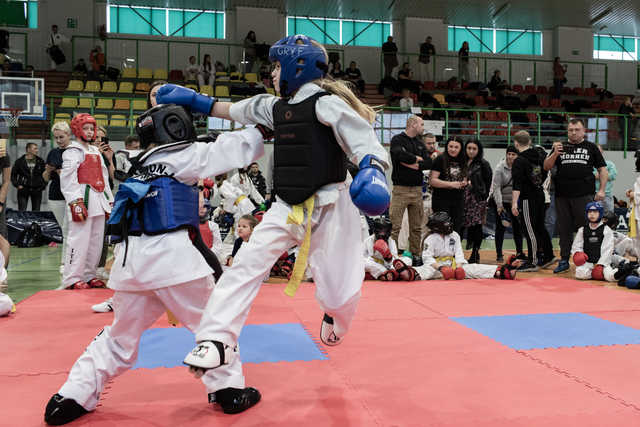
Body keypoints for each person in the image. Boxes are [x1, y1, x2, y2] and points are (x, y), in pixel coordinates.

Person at [157, 34, 390, 398]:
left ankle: (336, 316)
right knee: (244, 266)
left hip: (332, 205)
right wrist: (191, 99)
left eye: (278, 66)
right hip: (287, 207)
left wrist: (372, 170)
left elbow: (365, 143)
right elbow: (230, 110)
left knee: (340, 291)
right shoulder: (273, 107)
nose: (273, 73)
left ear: (299, 67)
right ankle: (215, 339)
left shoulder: (328, 105)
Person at [43, 104, 268, 425]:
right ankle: (229, 390)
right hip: (177, 262)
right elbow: (240, 147)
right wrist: (267, 125)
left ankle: (73, 394)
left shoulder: (137, 162)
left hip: (131, 264)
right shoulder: (188, 154)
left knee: (119, 337)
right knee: (215, 325)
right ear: (177, 127)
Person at [544, 118, 608, 273]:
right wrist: (554, 154)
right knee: (564, 229)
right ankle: (564, 259)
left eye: (577, 129)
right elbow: (546, 166)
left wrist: (601, 190)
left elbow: (602, 170)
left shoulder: (591, 147)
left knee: (586, 228)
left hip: (584, 195)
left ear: (583, 131)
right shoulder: (559, 147)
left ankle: (589, 259)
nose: (573, 132)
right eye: (570, 130)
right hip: (562, 195)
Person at [59, 114, 113, 290]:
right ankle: (72, 278)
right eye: (86, 128)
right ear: (77, 130)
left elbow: (103, 177)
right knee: (78, 239)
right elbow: (68, 178)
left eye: (92, 129)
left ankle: (90, 274)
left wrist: (109, 201)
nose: (90, 132)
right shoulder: (72, 151)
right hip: (82, 198)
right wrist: (75, 201)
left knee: (96, 240)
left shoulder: (95, 151)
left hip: (98, 199)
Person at [399, 211, 518, 281]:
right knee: (426, 272)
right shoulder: (430, 239)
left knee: (473, 268)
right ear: (438, 227)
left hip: (453, 265)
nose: (450, 225)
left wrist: (459, 267)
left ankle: (501, 272)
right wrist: (441, 268)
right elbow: (427, 258)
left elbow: (459, 254)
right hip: (436, 267)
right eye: (447, 223)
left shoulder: (454, 235)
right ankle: (407, 273)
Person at [389, 115, 431, 265]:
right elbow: (399, 155)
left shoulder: (420, 143)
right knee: (395, 225)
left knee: (416, 227)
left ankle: (416, 254)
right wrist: (417, 159)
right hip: (400, 189)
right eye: (421, 124)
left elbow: (428, 162)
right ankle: (391, 255)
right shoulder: (397, 140)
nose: (423, 127)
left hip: (417, 190)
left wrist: (413, 162)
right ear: (413, 124)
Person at [512, 130, 555, 272]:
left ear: (516, 143)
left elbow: (517, 185)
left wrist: (514, 203)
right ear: (529, 142)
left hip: (527, 198)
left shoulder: (519, 161)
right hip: (540, 195)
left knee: (529, 229)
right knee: (539, 227)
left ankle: (533, 260)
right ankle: (548, 255)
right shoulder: (539, 154)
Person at [44, 122, 72, 273]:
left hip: (72, 194)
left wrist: (63, 174)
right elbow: (45, 178)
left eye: (62, 137)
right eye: (56, 138)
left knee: (70, 229)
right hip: (56, 195)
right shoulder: (53, 153)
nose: (59, 140)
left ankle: (67, 262)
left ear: (69, 135)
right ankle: (64, 262)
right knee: (65, 229)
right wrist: (48, 171)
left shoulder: (75, 151)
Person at [491, 145, 523, 263]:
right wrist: (499, 206)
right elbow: (496, 187)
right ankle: (499, 254)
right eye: (508, 154)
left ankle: (519, 252)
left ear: (517, 156)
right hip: (502, 201)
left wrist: (517, 202)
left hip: (515, 202)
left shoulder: (520, 167)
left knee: (517, 228)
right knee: (500, 228)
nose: (510, 156)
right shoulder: (499, 168)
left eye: (513, 154)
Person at [430, 136, 468, 234]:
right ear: (447, 146)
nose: (453, 149)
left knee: (456, 230)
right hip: (441, 200)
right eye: (451, 146)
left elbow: (465, 177)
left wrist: (465, 182)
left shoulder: (463, 160)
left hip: (458, 200)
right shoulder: (440, 159)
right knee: (442, 230)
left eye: (456, 147)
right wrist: (451, 184)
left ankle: (454, 249)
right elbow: (433, 181)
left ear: (461, 148)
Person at [571, 202, 617, 282]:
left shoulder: (606, 230)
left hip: (603, 263)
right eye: (589, 212)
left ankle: (622, 271)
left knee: (609, 276)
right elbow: (576, 246)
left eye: (595, 212)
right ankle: (594, 273)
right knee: (580, 273)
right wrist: (577, 253)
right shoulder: (582, 230)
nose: (592, 214)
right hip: (588, 263)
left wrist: (600, 265)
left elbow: (608, 250)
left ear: (601, 213)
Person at [463, 139, 492, 264]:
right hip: (462, 199)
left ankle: (475, 253)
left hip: (477, 200)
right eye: (469, 148)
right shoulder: (461, 162)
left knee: (476, 227)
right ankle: (456, 253)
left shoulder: (483, 164)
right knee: (459, 226)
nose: (471, 151)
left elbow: (488, 182)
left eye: (474, 149)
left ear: (478, 150)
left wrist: (483, 198)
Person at [11, 143, 46, 211]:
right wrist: (17, 185)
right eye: (35, 148)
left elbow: (45, 174)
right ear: (28, 149)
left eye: (37, 148)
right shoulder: (19, 161)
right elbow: (13, 175)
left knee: (36, 212)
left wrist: (43, 185)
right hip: (23, 189)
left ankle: (34, 222)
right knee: (22, 211)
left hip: (37, 190)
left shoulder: (40, 161)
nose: (37, 150)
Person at [594, 144, 616, 213]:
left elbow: (612, 176)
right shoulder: (589, 165)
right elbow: (589, 176)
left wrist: (598, 175)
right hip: (593, 195)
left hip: (607, 195)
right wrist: (604, 174)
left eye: (599, 151)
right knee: (594, 217)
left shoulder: (610, 164)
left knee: (610, 218)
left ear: (602, 151)